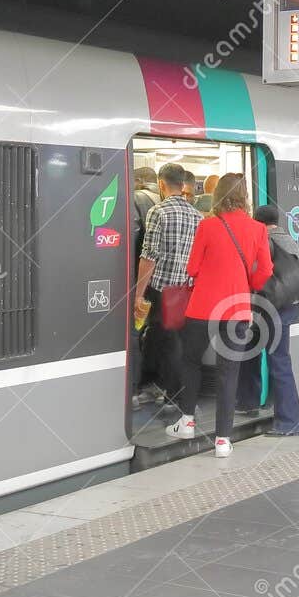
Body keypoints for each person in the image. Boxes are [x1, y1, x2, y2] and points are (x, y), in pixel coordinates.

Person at [166, 173, 273, 457]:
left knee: (190, 361)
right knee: (229, 373)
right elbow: (264, 272)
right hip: (236, 309)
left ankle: (187, 420)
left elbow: (192, 268)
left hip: (202, 309)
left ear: (219, 195)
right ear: (245, 197)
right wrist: (246, 284)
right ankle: (223, 440)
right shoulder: (258, 229)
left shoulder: (207, 226)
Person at [134, 163, 199, 412]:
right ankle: (167, 391)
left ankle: (166, 393)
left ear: (161, 184)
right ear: (183, 185)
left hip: (160, 290)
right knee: (175, 340)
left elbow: (149, 257)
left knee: (160, 338)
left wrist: (138, 294)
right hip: (186, 289)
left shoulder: (158, 212)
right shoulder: (196, 216)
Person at [238, 205, 299, 436]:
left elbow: (258, 274)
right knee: (255, 350)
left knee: (277, 361)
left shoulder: (262, 239)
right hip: (287, 306)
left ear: (257, 222)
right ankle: (249, 402)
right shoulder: (289, 239)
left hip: (270, 307)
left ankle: (290, 421)